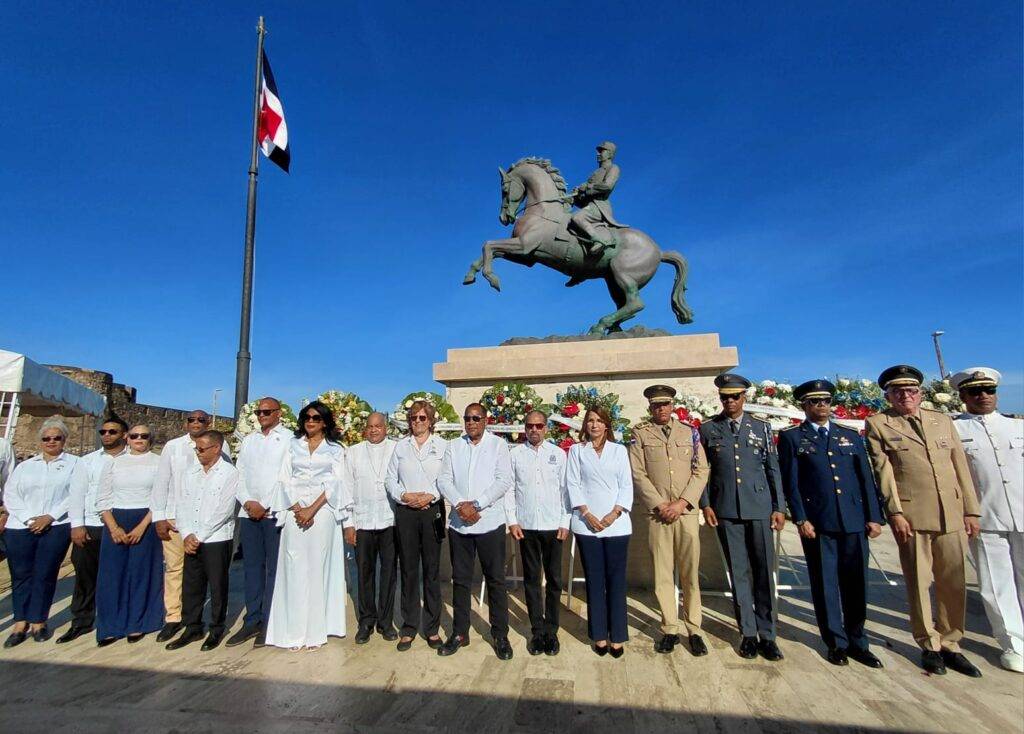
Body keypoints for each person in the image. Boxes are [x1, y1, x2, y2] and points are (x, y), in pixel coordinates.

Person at [865, 365, 982, 677]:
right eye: (898, 392)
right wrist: (895, 512)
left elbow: (960, 468)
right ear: (888, 396)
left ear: (920, 393)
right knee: (919, 582)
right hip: (913, 514)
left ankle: (951, 642)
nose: (906, 396)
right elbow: (884, 472)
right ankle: (929, 644)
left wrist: (971, 510)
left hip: (951, 513)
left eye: (911, 390)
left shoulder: (941, 421)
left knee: (953, 581)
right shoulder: (879, 424)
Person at [777, 380, 885, 668]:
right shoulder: (792, 438)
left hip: (853, 520)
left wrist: (874, 517)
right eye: (814, 402)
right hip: (819, 522)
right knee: (825, 585)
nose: (821, 406)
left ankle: (858, 641)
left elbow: (865, 479)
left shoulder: (848, 436)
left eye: (825, 401)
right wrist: (801, 518)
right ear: (804, 406)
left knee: (856, 584)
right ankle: (835, 642)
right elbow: (792, 483)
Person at [700, 373, 786, 661]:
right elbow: (704, 470)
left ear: (744, 397)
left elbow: (772, 468)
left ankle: (768, 635)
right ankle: (748, 632)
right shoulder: (709, 428)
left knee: (763, 571)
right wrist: (706, 504)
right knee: (738, 573)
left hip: (759, 508)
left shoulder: (761, 427)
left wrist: (779, 507)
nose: (730, 401)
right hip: (726, 509)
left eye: (735, 396)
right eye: (725, 397)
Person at [951, 367, 1023, 674]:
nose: (983, 396)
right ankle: (1014, 644)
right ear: (963, 396)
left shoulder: (1017, 427)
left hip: (1022, 511)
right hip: (985, 515)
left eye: (989, 390)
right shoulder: (954, 430)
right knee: (997, 584)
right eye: (975, 391)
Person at [629, 384, 710, 656]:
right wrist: (661, 504)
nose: (661, 409)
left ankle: (694, 629)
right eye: (656, 405)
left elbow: (701, 470)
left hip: (685, 512)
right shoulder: (640, 434)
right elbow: (637, 472)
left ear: (672, 405)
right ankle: (670, 628)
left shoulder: (690, 432)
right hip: (658, 514)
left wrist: (682, 502)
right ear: (649, 407)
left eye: (665, 404)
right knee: (662, 573)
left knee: (690, 573)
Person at [265, 401, 352, 650]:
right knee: (294, 568)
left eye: (316, 418)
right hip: (295, 511)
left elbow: (336, 482)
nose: (310, 422)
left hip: (322, 512)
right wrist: (297, 509)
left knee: (318, 567)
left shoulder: (335, 449)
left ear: (324, 422)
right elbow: (283, 479)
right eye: (307, 417)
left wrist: (312, 509)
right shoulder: (293, 446)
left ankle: (315, 631)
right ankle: (293, 632)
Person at [436, 402, 514, 659]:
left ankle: (500, 635)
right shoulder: (453, 446)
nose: (471, 422)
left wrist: (478, 504)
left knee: (495, 580)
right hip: (460, 524)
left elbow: (503, 480)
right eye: (467, 418)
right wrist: (461, 504)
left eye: (476, 418)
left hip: (489, 522)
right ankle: (460, 633)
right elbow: (443, 479)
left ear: (485, 420)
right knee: (460, 580)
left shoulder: (498, 445)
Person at [2, 418, 85, 647]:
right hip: (21, 526)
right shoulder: (25, 466)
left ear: (64, 440)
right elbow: (10, 493)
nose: (51, 441)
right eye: (46, 438)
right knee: (20, 574)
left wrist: (49, 517)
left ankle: (38, 620)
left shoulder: (75, 464)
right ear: (40, 440)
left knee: (45, 573)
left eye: (57, 438)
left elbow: (76, 493)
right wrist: (29, 518)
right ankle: (20, 622)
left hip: (55, 526)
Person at [566, 406, 633, 658]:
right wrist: (587, 513)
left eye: (599, 420)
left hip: (617, 524)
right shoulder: (577, 451)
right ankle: (599, 635)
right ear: (585, 425)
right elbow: (572, 483)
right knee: (594, 581)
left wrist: (613, 514)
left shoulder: (619, 451)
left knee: (616, 581)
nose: (594, 425)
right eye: (590, 420)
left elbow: (626, 485)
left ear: (607, 425)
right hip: (587, 524)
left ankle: (618, 636)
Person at [165, 430, 239, 651]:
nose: (198, 453)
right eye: (196, 449)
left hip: (216, 538)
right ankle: (192, 626)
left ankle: (216, 628)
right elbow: (182, 503)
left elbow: (224, 509)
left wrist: (200, 535)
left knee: (217, 585)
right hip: (191, 537)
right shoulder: (191, 472)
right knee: (192, 584)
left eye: (202, 449)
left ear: (216, 449)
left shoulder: (229, 473)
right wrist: (187, 533)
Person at [227, 397, 291, 648]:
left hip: (272, 513)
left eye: (266, 412)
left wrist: (264, 504)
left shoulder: (288, 439)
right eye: (259, 412)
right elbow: (240, 473)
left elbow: (285, 477)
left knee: (274, 568)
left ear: (278, 413)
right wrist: (247, 501)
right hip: (249, 512)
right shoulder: (249, 440)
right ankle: (252, 619)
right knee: (252, 568)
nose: (262, 416)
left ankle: (270, 620)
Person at [59, 415, 129, 644]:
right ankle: (81, 621)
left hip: (120, 526)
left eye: (112, 432)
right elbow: (76, 494)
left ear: (123, 435)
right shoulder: (87, 461)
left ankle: (114, 621)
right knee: (85, 576)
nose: (106, 435)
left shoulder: (133, 460)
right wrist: (77, 525)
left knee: (116, 576)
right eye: (103, 432)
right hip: (91, 524)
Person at [385, 399, 448, 651]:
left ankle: (432, 628)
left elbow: (447, 478)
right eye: (413, 418)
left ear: (430, 421)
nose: (417, 422)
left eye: (422, 418)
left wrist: (430, 495)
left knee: (431, 571)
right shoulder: (401, 447)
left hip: (432, 511)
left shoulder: (443, 446)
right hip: (407, 512)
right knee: (409, 570)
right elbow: (390, 479)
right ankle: (409, 627)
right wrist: (404, 496)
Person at [95, 424, 165, 645]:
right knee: (111, 574)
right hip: (116, 519)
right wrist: (113, 527)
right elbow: (102, 497)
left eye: (144, 436)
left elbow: (160, 497)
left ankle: (139, 621)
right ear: (127, 438)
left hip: (145, 519)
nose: (139, 439)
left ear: (150, 438)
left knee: (142, 573)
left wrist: (142, 526)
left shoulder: (158, 462)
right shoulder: (114, 463)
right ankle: (110, 625)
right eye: (134, 435)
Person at [508, 410, 570, 656]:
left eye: (539, 425)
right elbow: (510, 490)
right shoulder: (515, 455)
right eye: (530, 426)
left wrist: (565, 521)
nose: (534, 429)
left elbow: (565, 490)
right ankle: (537, 632)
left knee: (554, 580)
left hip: (553, 526)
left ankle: (551, 632)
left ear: (546, 428)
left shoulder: (558, 454)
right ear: (525, 428)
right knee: (532, 580)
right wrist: (512, 521)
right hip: (527, 526)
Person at [150, 409, 214, 643]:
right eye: (191, 419)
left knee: (200, 573)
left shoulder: (219, 445)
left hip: (204, 520)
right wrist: (159, 516)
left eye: (201, 420)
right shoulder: (173, 446)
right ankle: (173, 617)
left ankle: (194, 618)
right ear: (185, 423)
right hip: (175, 517)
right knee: (174, 569)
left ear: (208, 422)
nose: (196, 423)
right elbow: (161, 481)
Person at [343, 412, 399, 644]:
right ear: (364, 429)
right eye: (370, 426)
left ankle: (385, 622)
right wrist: (348, 524)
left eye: (378, 426)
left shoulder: (396, 449)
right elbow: (346, 488)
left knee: (388, 573)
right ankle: (366, 621)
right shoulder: (353, 452)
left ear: (386, 428)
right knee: (364, 573)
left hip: (389, 521)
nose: (374, 430)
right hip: (363, 522)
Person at [567, 141, 627, 256]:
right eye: (598, 151)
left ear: (610, 154)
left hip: (599, 206)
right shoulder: (596, 172)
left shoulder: (614, 168)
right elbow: (587, 195)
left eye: (601, 151)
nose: (598, 154)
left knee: (577, 217)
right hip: (589, 205)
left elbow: (607, 186)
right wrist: (576, 195)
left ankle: (598, 240)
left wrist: (587, 187)